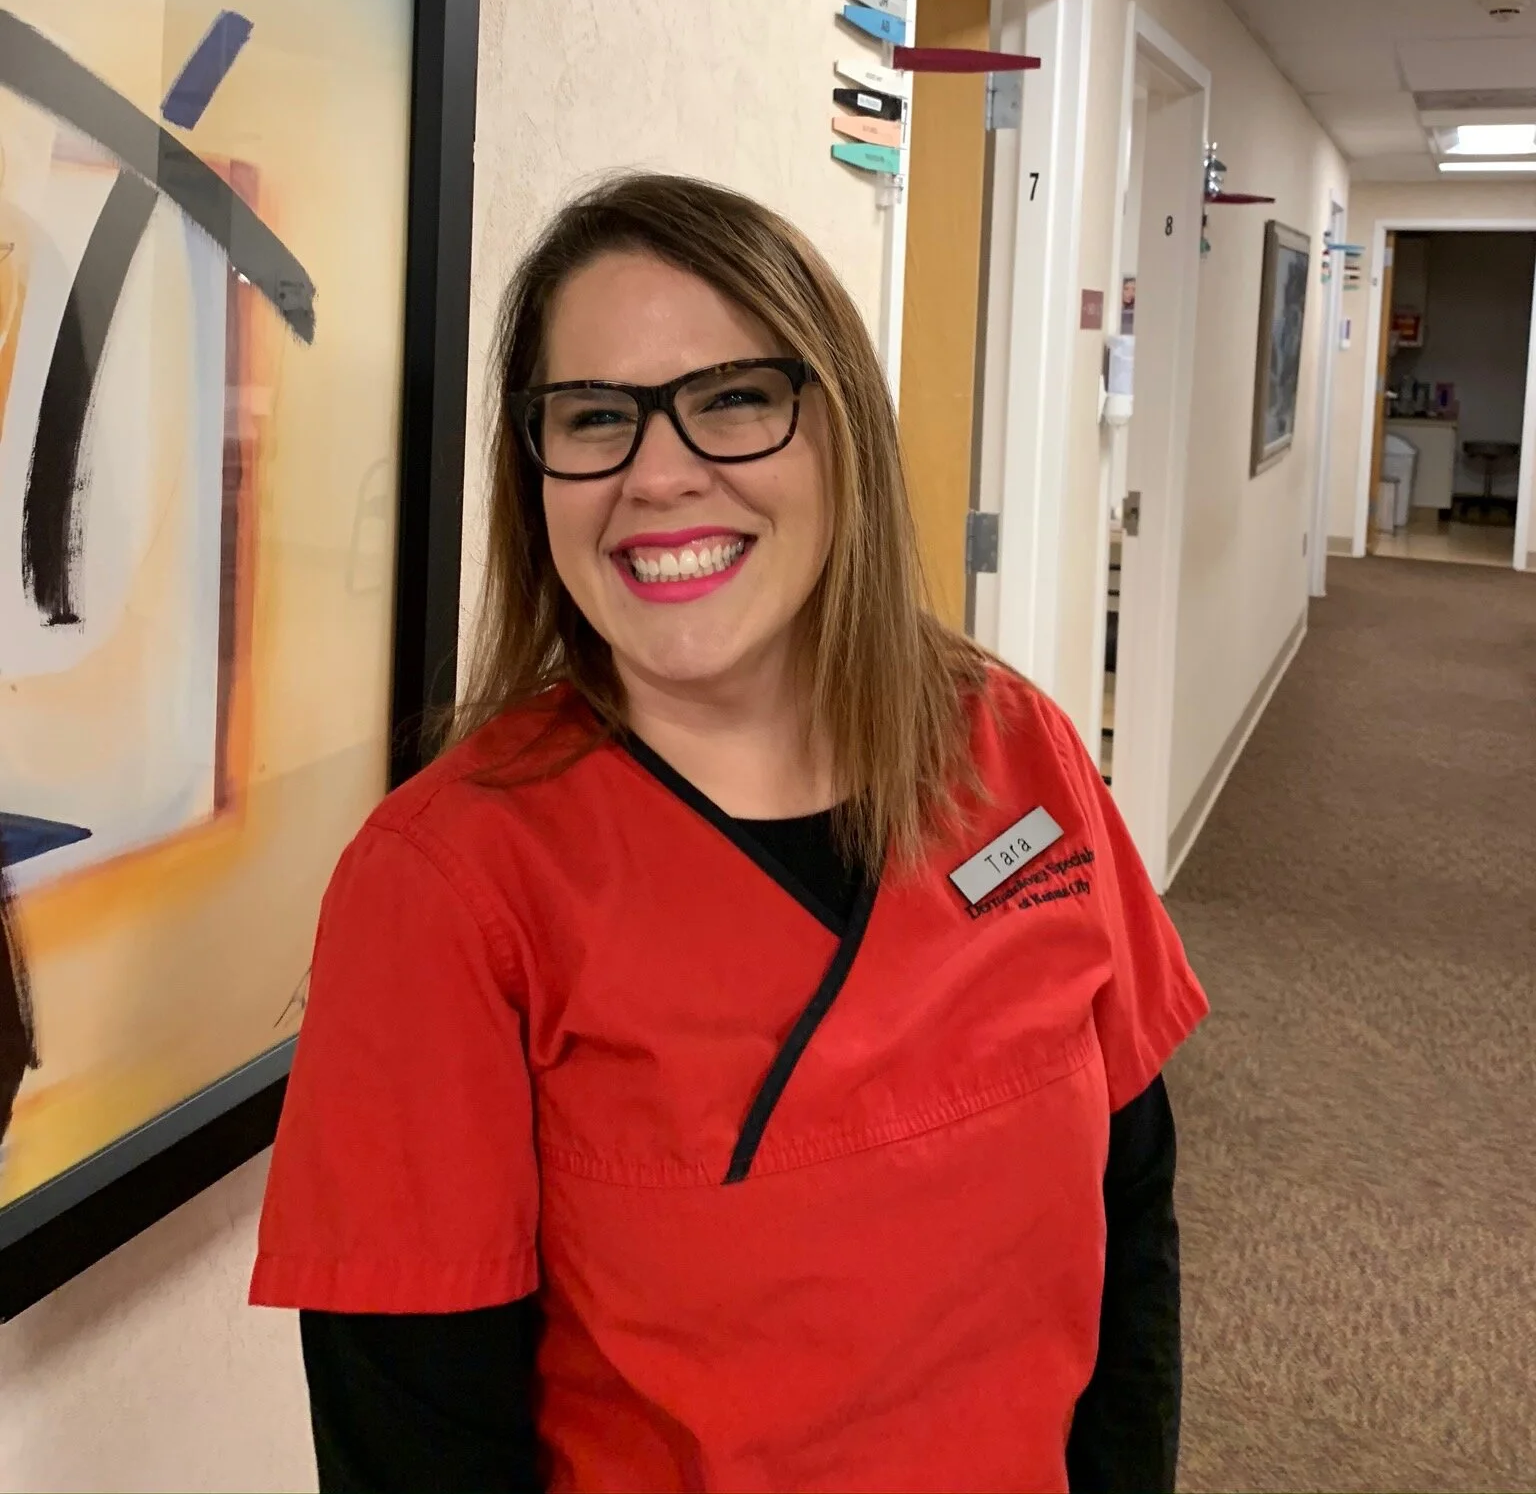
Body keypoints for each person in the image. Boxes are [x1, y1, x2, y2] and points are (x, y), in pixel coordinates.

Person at [251, 172, 1208, 1494]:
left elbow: (1132, 1204)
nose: (656, 474)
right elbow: (414, 1442)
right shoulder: (447, 886)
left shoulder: (1017, 749)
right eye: (592, 418)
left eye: (734, 400)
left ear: (842, 434)